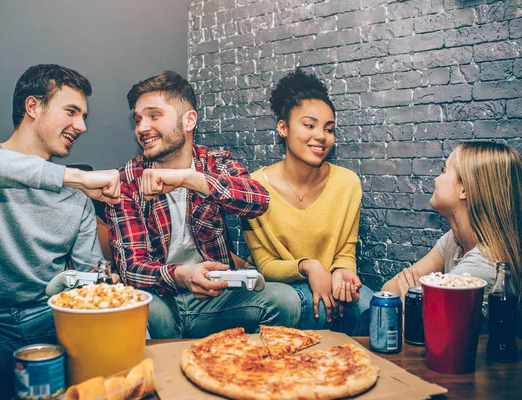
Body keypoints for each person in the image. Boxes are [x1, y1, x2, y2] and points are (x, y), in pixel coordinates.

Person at [0, 64, 121, 400]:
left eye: (84, 116)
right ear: (33, 107)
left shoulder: (77, 199)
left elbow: (90, 278)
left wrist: (103, 285)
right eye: (71, 112)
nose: (82, 126)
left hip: (54, 318)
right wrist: (76, 177)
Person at [105, 71, 301, 338]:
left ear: (189, 120)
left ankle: (242, 369)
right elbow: (132, 267)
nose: (142, 128)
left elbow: (258, 199)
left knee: (287, 300)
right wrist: (182, 275)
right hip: (162, 300)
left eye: (154, 116)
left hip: (216, 297)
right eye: (138, 119)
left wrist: (191, 179)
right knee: (132, 309)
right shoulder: (127, 180)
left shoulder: (213, 163)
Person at [243, 69, 372, 335]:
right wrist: (309, 266)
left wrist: (343, 273)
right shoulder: (254, 188)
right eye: (309, 125)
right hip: (282, 289)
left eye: (329, 129)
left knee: (372, 307)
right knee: (316, 310)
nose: (321, 136)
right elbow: (264, 265)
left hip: (330, 284)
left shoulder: (347, 184)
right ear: (283, 128)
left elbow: (346, 253)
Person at [382, 141, 522, 333]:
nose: (435, 179)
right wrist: (412, 304)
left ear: (464, 190)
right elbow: (389, 289)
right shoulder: (454, 240)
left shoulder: (482, 268)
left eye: (444, 170)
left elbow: (428, 334)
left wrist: (411, 305)